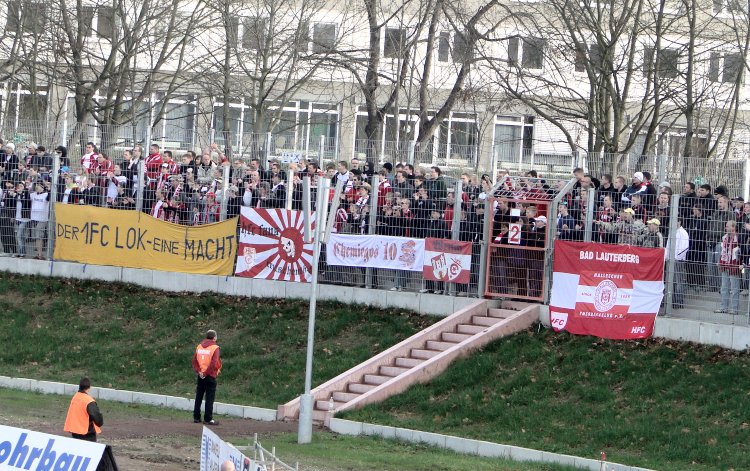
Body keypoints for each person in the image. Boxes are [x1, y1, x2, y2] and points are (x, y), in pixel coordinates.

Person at [193, 329, 222, 425]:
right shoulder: (215, 347)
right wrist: (206, 373)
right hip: (210, 375)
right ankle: (208, 418)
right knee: (209, 397)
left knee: (199, 396)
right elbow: (214, 363)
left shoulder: (199, 346)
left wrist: (199, 371)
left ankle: (196, 417)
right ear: (214, 337)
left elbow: (194, 361)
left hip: (200, 374)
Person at [64, 377, 104, 442]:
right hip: (86, 433)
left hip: (75, 431)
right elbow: (97, 417)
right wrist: (100, 422)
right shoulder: (88, 401)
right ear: (89, 387)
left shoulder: (75, 397)